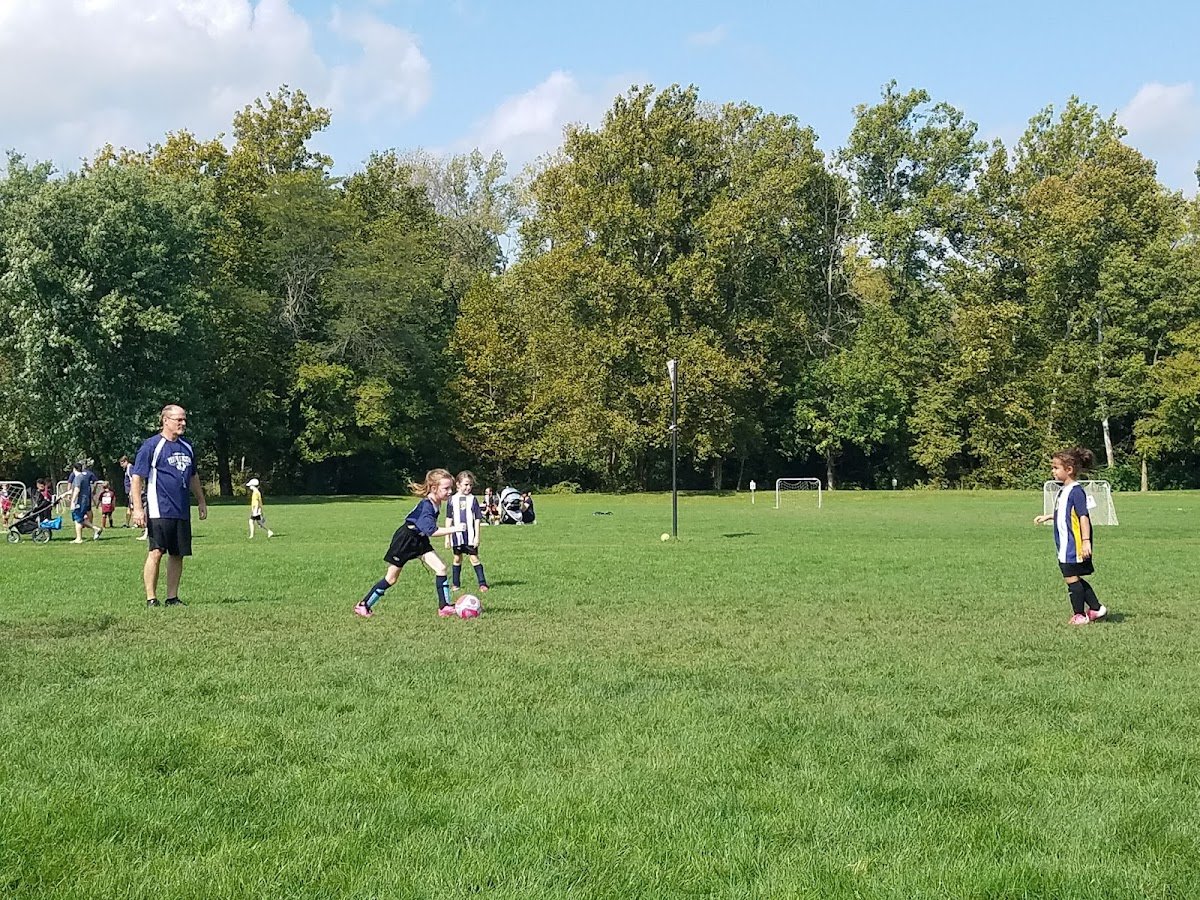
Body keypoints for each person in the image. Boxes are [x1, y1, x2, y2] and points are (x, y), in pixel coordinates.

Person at [353, 468, 465, 619]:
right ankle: (363, 605)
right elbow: (431, 531)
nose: (449, 491)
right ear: (434, 488)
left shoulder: (437, 502)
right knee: (391, 578)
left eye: (450, 487)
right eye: (446, 488)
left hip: (419, 539)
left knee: (441, 567)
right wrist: (455, 529)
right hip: (405, 541)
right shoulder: (427, 505)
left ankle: (444, 607)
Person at [131, 405, 208, 608]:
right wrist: (138, 508)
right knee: (156, 551)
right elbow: (137, 477)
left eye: (184, 420)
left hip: (181, 509)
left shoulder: (187, 446)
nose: (183, 424)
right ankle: (151, 598)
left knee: (178, 553)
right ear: (166, 420)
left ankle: (172, 597)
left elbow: (193, 475)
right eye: (179, 420)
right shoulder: (152, 446)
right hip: (159, 508)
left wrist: (201, 500)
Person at [1033, 446, 1108, 626]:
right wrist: (1048, 516)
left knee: (1070, 577)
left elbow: (1083, 517)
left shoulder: (1076, 491)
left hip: (1073, 543)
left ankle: (1080, 615)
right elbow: (1066, 513)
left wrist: (1085, 541)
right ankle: (1096, 608)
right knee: (1073, 577)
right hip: (1064, 543)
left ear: (1069, 470)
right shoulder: (1063, 490)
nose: (1053, 471)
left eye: (1056, 468)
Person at [445, 470, 489, 594]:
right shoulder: (452, 500)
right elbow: (449, 519)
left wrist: (477, 537)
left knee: (474, 558)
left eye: (470, 485)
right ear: (458, 484)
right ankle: (455, 584)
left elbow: (477, 519)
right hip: (457, 536)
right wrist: (447, 538)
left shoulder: (473, 499)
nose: (468, 487)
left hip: (470, 536)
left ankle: (482, 583)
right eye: (465, 484)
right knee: (457, 558)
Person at [68, 460, 101, 543]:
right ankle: (96, 529)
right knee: (81, 519)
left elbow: (77, 490)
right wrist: (64, 495)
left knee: (77, 519)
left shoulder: (78, 477)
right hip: (85, 500)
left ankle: (79, 538)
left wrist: (73, 501)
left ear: (74, 469)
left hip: (80, 501)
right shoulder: (84, 477)